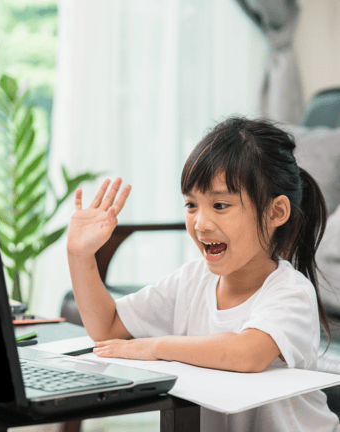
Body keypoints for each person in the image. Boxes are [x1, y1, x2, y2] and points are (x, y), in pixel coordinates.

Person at [66, 116, 340, 431]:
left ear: (275, 212)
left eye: (220, 205)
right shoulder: (191, 280)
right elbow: (107, 327)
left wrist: (154, 347)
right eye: (191, 205)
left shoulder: (291, 292)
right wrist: (79, 256)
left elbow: (246, 353)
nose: (201, 223)